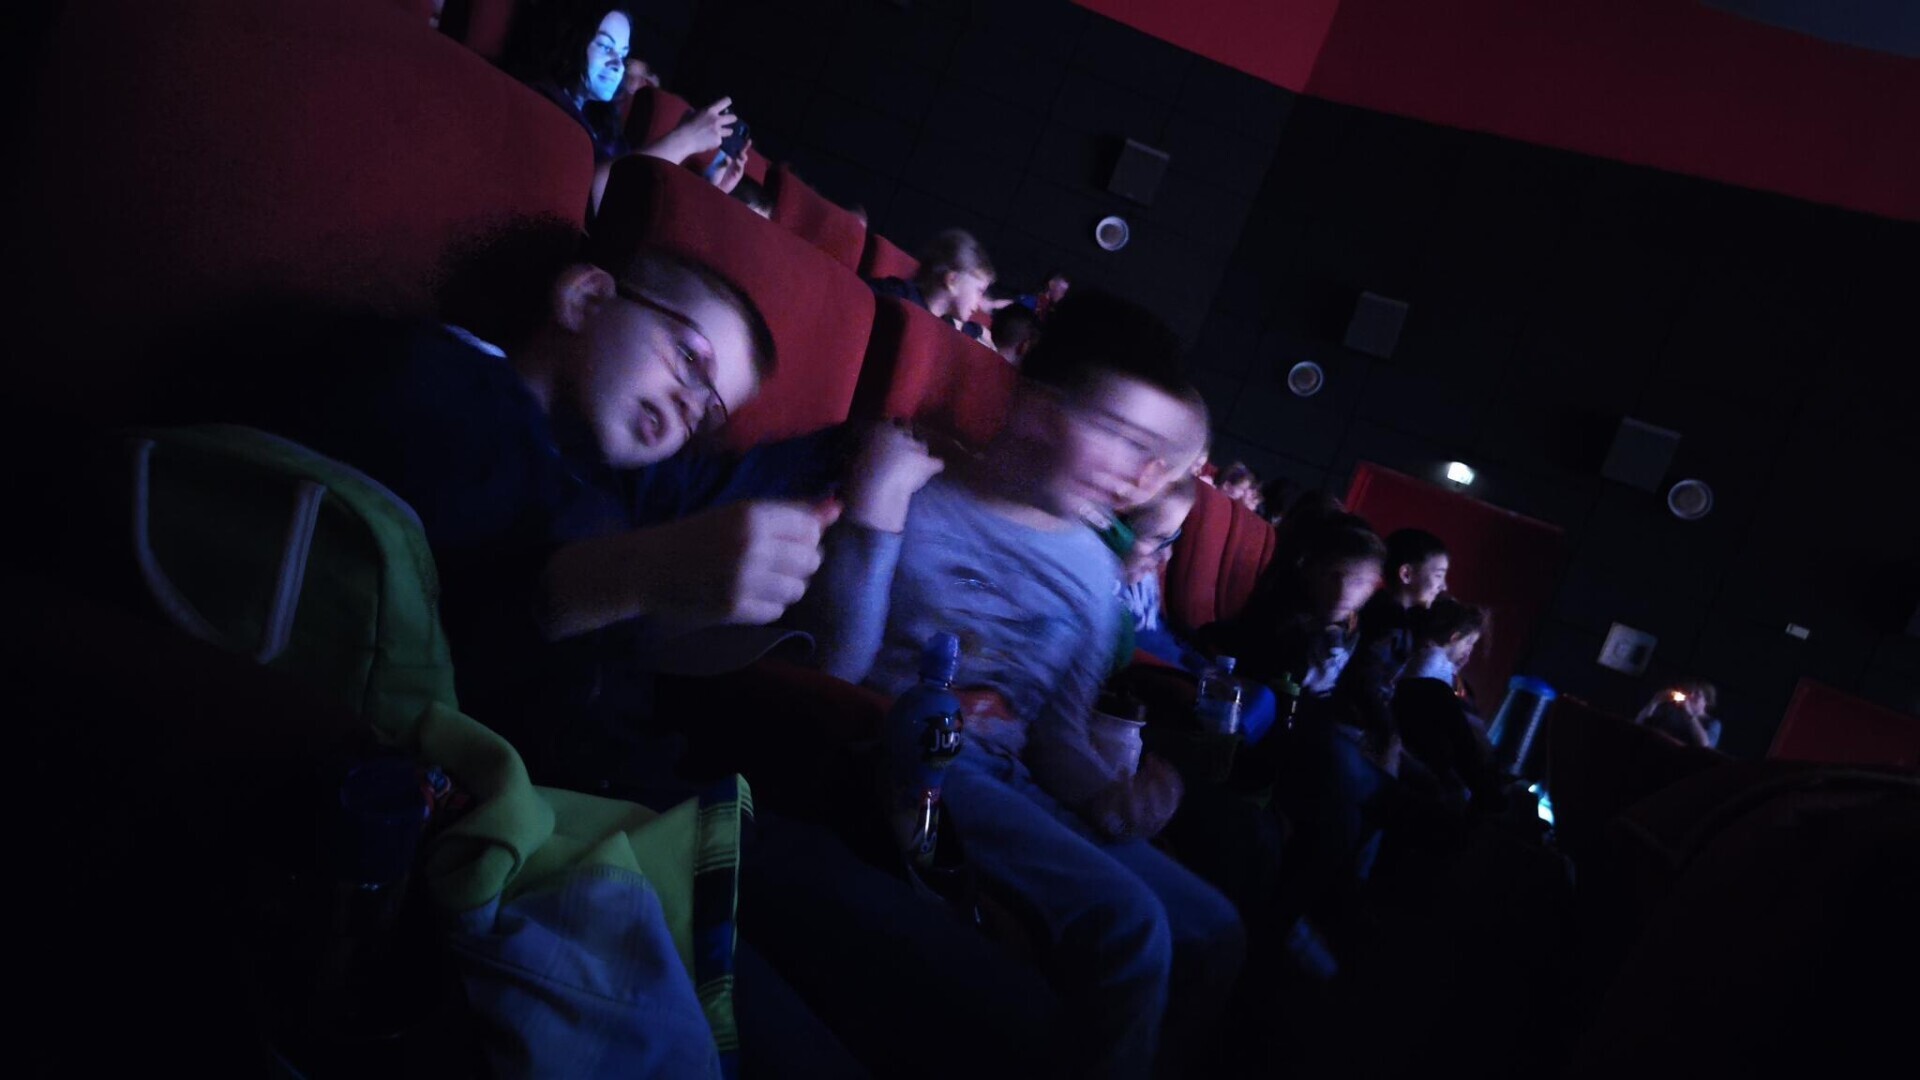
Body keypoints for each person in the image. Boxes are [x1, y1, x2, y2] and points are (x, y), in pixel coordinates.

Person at [169, 210, 1064, 1073]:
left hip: (644, 804)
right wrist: (627, 577)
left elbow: (686, 532)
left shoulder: (600, 480)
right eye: (691, 358)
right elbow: (393, 645)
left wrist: (758, 559)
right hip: (534, 842)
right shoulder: (432, 377)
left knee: (993, 1008)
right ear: (587, 297)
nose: (690, 403)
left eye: (710, 407)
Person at [797, 291, 1245, 1079]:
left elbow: (1053, 737)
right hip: (902, 759)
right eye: (1123, 438)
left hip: (1010, 779)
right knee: (1131, 928)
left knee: (1214, 928)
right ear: (1038, 404)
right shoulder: (913, 492)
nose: (1140, 479)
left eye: (1160, 462)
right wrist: (874, 514)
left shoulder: (1094, 570)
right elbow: (834, 672)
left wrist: (1109, 797)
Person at [523, 4, 740, 211]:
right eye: (605, 47)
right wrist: (686, 138)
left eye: (622, 54)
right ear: (573, 38)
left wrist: (709, 184)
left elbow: (641, 204)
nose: (618, 64)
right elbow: (593, 198)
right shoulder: (539, 103)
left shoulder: (602, 123)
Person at [1392, 597, 1507, 807]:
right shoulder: (1433, 658)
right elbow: (1419, 691)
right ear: (1455, 637)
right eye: (1469, 643)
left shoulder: (1441, 663)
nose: (1469, 651)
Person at [1356, 528, 1451, 697]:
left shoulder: (1400, 618)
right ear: (1406, 574)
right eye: (1438, 575)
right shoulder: (1388, 623)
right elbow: (1366, 688)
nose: (1443, 587)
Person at [867, 229, 996, 345]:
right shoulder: (897, 296)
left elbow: (973, 330)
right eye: (979, 291)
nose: (980, 302)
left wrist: (980, 331)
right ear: (952, 281)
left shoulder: (947, 323)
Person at [1637, 678, 1723, 749]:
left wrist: (1689, 713)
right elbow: (1640, 722)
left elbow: (1705, 745)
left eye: (1697, 694)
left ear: (1707, 702)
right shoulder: (1673, 711)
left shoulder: (1713, 723)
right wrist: (1655, 701)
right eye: (1690, 692)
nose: (1691, 696)